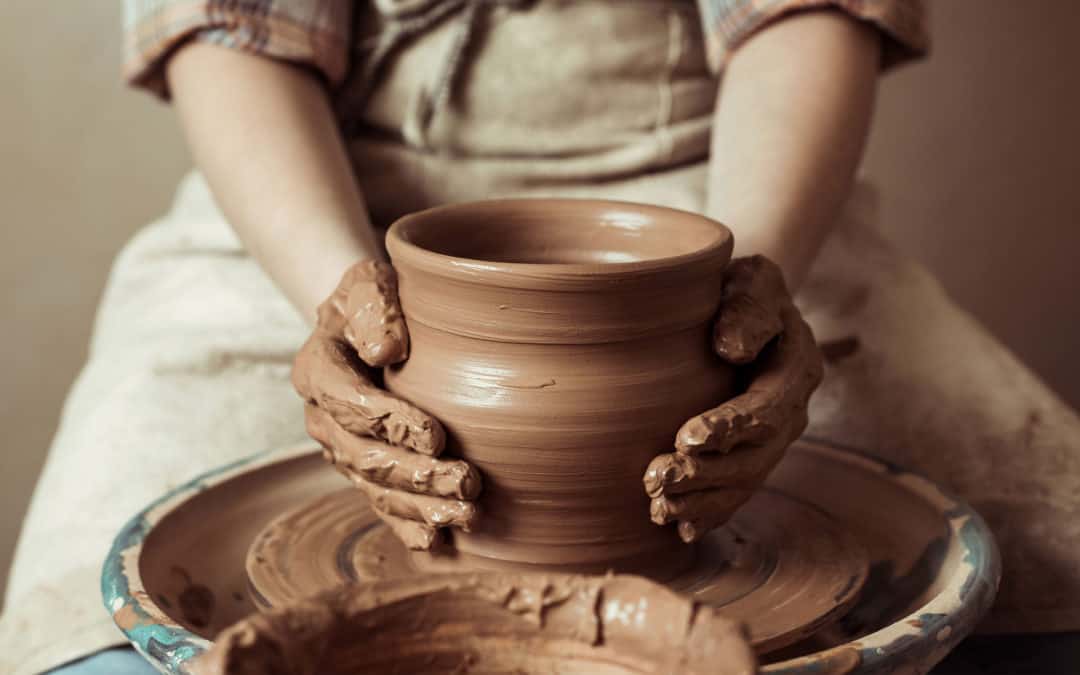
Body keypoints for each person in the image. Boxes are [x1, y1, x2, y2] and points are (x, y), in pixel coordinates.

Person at [3, 1, 1079, 673]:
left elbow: (805, 12)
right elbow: (235, 31)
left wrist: (743, 292)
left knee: (1043, 581)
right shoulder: (315, 250)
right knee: (103, 640)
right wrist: (341, 298)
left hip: (724, 204)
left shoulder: (740, 251)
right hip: (307, 216)